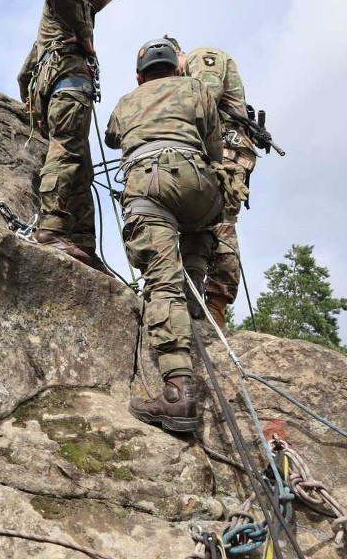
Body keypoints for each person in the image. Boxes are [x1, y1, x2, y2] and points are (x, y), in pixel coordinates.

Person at [104, 38, 225, 432]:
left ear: (139, 76)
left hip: (147, 183)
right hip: (196, 179)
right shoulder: (197, 89)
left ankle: (178, 392)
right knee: (203, 226)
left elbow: (111, 137)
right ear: (177, 68)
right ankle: (192, 292)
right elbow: (214, 148)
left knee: (161, 283)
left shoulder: (125, 102)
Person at [16, 0, 126, 273]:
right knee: (66, 153)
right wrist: (86, 38)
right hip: (69, 86)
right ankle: (52, 225)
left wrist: (33, 109)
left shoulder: (57, 25)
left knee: (81, 166)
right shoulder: (71, 2)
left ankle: (83, 241)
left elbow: (25, 73)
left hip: (61, 89)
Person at [165, 36, 257, 328]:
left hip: (227, 148)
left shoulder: (202, 56)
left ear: (178, 54)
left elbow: (205, 97)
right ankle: (191, 293)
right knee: (199, 221)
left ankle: (216, 303)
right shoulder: (185, 71)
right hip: (209, 148)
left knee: (221, 221)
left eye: (171, 68)